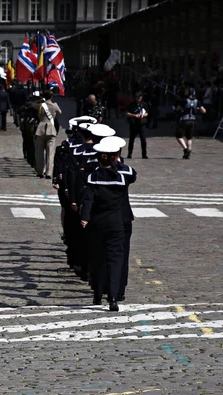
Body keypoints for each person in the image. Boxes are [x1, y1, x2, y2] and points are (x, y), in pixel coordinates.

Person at [80, 140, 126, 312]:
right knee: (115, 261)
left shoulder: (93, 177)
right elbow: (132, 174)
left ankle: (97, 293)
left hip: (97, 223)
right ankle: (113, 298)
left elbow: (88, 199)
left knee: (97, 259)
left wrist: (84, 218)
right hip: (115, 223)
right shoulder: (121, 177)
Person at [100, 136, 137, 301]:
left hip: (101, 217)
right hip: (122, 217)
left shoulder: (96, 170)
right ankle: (119, 288)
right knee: (121, 253)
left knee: (101, 252)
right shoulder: (125, 170)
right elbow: (132, 175)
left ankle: (105, 285)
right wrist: (119, 162)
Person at [35, 90, 61, 179]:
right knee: (50, 152)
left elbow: (38, 115)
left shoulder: (41, 106)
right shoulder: (55, 105)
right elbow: (59, 113)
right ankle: (49, 172)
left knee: (39, 152)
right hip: (51, 129)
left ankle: (40, 171)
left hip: (41, 128)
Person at [175, 89, 206, 159]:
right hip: (192, 120)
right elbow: (204, 111)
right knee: (189, 137)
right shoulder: (197, 101)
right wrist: (197, 108)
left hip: (184, 120)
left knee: (178, 135)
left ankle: (186, 149)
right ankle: (189, 150)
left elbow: (177, 109)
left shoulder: (184, 100)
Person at [125, 92, 149, 159]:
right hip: (133, 124)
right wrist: (134, 115)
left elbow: (147, 113)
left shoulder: (144, 104)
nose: (139, 98)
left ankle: (144, 154)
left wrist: (143, 115)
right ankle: (129, 153)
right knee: (131, 140)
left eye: (140, 97)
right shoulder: (131, 105)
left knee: (143, 140)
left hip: (142, 124)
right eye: (137, 97)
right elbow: (127, 113)